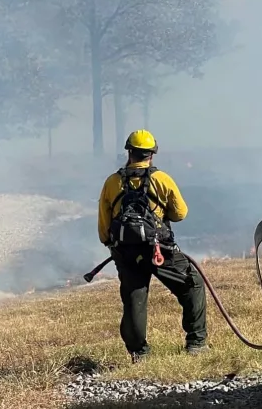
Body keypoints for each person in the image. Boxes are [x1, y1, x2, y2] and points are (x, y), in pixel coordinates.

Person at [98, 129, 208, 363]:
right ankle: (196, 343)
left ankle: (139, 353)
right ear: (151, 154)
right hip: (160, 251)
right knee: (193, 285)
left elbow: (104, 225)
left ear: (129, 152)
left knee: (134, 299)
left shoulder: (112, 182)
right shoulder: (161, 179)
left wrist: (113, 247)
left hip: (126, 252)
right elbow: (180, 214)